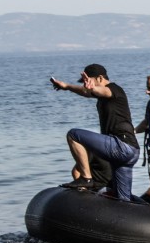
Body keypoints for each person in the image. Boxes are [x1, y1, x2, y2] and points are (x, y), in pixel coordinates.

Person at [50, 64, 143, 202]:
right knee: (123, 199)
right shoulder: (102, 95)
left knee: (73, 135)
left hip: (121, 146)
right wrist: (66, 86)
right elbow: (86, 92)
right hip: (130, 151)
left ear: (100, 78)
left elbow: (102, 91)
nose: (86, 85)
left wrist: (93, 88)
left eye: (89, 81)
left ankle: (86, 178)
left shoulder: (114, 90)